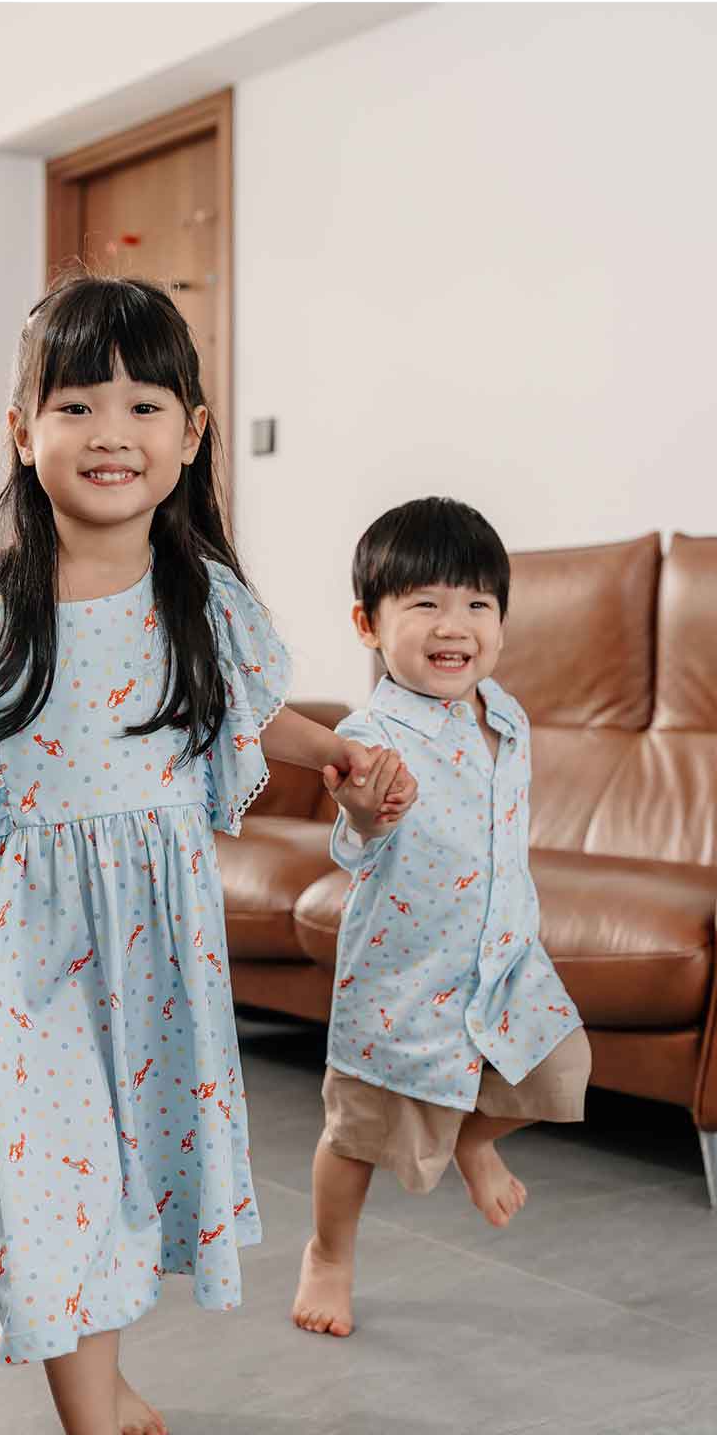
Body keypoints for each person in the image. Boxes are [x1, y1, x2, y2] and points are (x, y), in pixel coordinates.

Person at [0, 274, 414, 1435]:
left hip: (157, 944)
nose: (113, 430)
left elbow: (250, 713)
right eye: (77, 403)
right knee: (54, 1193)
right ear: (21, 429)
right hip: (23, 949)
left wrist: (341, 756)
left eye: (145, 403)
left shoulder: (200, 598)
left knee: (123, 1174)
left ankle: (102, 1368)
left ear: (192, 432)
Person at [292, 496, 591, 1340]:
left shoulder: (507, 716)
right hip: (405, 974)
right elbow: (353, 846)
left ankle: (473, 1140)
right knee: (357, 1134)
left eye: (476, 604)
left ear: (500, 622)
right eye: (423, 603)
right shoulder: (370, 734)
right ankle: (328, 1253)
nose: (452, 624)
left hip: (503, 956)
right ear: (368, 623)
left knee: (560, 1066)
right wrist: (363, 815)